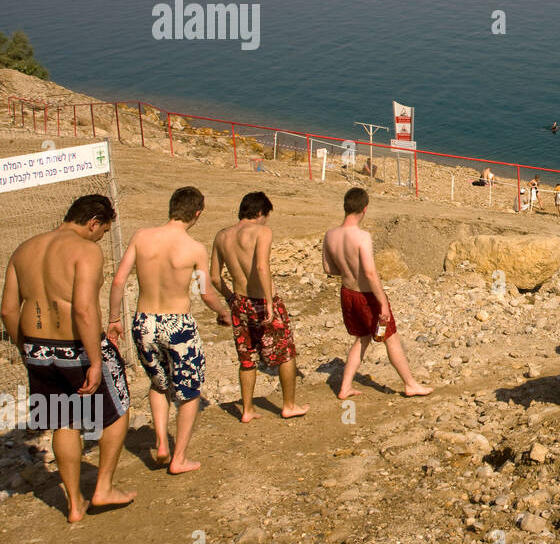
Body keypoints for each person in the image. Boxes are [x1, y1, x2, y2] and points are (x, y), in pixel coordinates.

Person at [1, 195, 134, 521]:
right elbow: (84, 309)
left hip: (35, 347)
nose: (100, 238)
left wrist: (25, 350)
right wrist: (95, 360)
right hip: (77, 347)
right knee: (117, 410)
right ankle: (103, 487)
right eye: (102, 232)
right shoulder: (86, 251)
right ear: (93, 223)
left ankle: (74, 504)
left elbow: (7, 309)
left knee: (63, 419)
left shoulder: (24, 248)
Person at [107, 187, 231, 474]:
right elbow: (205, 293)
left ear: (171, 207)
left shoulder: (141, 237)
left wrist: (115, 318)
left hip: (144, 321)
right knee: (189, 391)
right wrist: (224, 312)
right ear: (197, 213)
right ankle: (179, 457)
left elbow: (118, 282)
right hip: (178, 324)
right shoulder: (195, 249)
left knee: (159, 383)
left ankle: (161, 442)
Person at [323, 188, 432, 399]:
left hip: (347, 293)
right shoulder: (362, 237)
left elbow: (328, 269)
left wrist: (347, 270)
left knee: (361, 339)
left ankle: (345, 387)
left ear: (345, 206)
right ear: (364, 209)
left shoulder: (330, 235)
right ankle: (410, 384)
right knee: (391, 338)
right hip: (367, 296)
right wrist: (382, 303)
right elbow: (370, 273)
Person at [210, 192, 308, 421]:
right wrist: (270, 302)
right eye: (266, 216)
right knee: (284, 352)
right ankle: (289, 405)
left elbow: (214, 277)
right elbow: (262, 268)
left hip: (239, 301)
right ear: (260, 213)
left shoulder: (222, 236)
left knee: (247, 357)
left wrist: (231, 298)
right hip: (262, 300)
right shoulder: (262, 232)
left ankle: (247, 410)